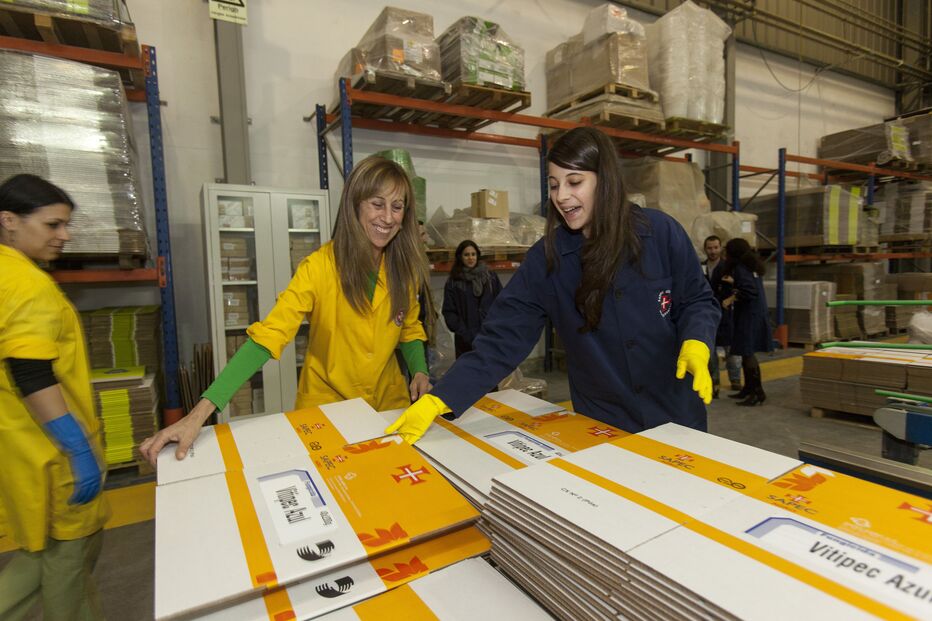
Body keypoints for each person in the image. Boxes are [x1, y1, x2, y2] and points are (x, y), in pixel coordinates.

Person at [386, 127, 720, 444]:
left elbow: (697, 299)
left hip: (676, 413)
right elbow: (501, 339)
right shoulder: (548, 260)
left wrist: (697, 341)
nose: (562, 196)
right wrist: (442, 397)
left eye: (575, 182)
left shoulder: (661, 233)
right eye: (554, 184)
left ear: (605, 181)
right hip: (604, 425)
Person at [140, 155, 430, 465]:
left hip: (388, 404)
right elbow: (268, 337)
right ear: (356, 205)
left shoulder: (403, 270)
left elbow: (409, 328)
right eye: (377, 204)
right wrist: (199, 414)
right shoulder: (318, 268)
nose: (387, 217)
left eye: (396, 207)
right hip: (328, 405)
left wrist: (419, 369)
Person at [0, 174, 109, 620]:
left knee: (44, 559)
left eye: (66, 225)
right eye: (52, 225)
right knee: (66, 569)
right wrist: (78, 447)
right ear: (9, 220)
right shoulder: (29, 285)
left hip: (24, 447)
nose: (64, 236)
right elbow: (31, 372)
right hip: (54, 454)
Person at [720, 237, 772, 406]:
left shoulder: (741, 268)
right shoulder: (752, 266)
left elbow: (749, 292)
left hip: (749, 316)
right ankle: (749, 388)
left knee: (748, 352)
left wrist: (730, 299)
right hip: (756, 313)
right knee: (745, 351)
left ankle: (757, 392)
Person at [442, 240, 504, 358]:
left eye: (473, 254)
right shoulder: (453, 282)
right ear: (460, 257)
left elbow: (501, 304)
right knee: (468, 373)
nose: (470, 258)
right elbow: (449, 312)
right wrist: (465, 334)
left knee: (491, 373)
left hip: (490, 337)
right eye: (466, 255)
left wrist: (496, 328)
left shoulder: (491, 277)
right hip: (465, 341)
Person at [702, 235, 742, 397]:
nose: (712, 251)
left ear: (720, 248)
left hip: (726, 313)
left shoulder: (728, 267)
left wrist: (730, 297)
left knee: (730, 349)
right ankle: (714, 384)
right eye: (710, 248)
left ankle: (735, 380)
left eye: (715, 247)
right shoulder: (700, 267)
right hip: (707, 313)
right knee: (710, 352)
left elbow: (741, 287)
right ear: (705, 249)